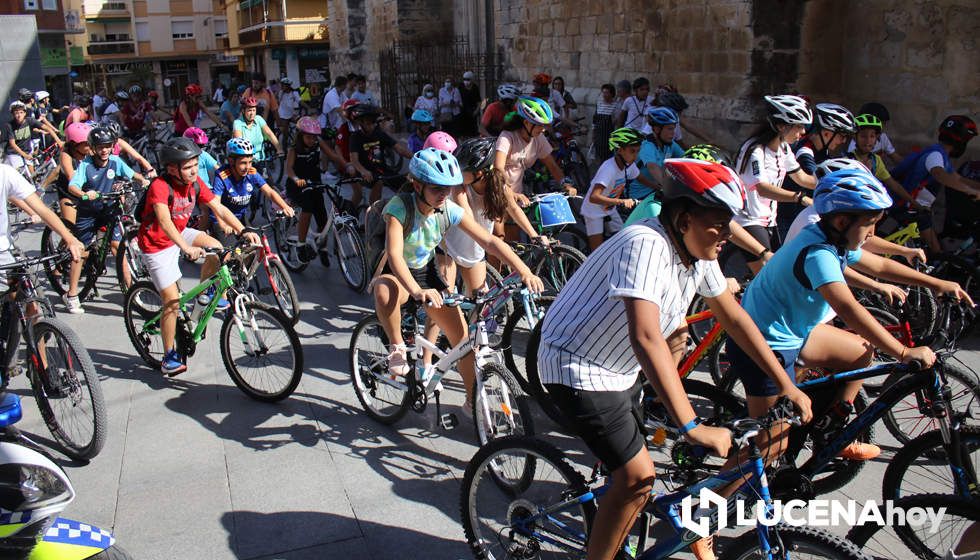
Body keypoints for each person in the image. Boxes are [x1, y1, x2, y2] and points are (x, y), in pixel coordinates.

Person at [538, 158, 812, 560]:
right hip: (576, 365)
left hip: (619, 366)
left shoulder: (699, 254)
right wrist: (692, 426)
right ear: (683, 219)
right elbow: (647, 336)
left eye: (729, 222)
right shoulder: (644, 244)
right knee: (638, 478)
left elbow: (735, 318)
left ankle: (615, 523)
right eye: (718, 223)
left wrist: (786, 384)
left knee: (631, 476)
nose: (727, 234)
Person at [729, 168, 970, 493]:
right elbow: (847, 308)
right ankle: (699, 518)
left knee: (861, 352)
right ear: (842, 222)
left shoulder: (833, 240)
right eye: (869, 224)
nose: (873, 232)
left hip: (793, 333)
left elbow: (879, 265)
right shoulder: (817, 253)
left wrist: (938, 282)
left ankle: (830, 427)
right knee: (769, 446)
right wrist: (902, 351)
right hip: (762, 343)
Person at [372, 148, 544, 413]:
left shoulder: (446, 209)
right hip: (399, 272)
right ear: (417, 185)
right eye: (436, 189)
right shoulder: (400, 207)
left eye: (448, 189)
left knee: (464, 343)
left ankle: (472, 400)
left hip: (426, 271)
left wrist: (524, 270)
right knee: (385, 292)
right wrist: (417, 291)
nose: (444, 195)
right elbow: (394, 255)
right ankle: (396, 346)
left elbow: (488, 240)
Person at [136, 137, 259, 375]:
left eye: (195, 164)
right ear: (172, 169)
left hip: (181, 233)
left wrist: (243, 230)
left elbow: (219, 207)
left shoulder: (195, 183)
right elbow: (163, 220)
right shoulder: (160, 186)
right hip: (156, 245)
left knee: (216, 249)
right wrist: (184, 247)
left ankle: (204, 293)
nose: (194, 170)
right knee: (171, 302)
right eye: (188, 167)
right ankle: (169, 354)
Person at [439, 137, 551, 295]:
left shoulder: (499, 187)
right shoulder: (459, 189)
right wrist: (521, 267)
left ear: (480, 172)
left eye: (462, 169)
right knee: (444, 302)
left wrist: (534, 235)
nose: (457, 172)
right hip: (448, 249)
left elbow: (514, 210)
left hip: (474, 250)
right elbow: (474, 227)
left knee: (480, 303)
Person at [730, 94, 817, 275]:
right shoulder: (755, 150)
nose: (802, 133)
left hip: (770, 220)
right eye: (799, 126)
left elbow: (801, 178)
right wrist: (799, 198)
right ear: (781, 126)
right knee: (770, 277)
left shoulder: (783, 148)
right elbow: (762, 188)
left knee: (782, 274)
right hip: (748, 220)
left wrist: (832, 185)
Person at [64, 125, 147, 313]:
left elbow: (132, 174)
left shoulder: (116, 162)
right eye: (100, 147)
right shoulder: (85, 165)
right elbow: (73, 186)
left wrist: (144, 181)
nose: (104, 150)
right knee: (81, 253)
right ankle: (72, 294)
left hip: (110, 210)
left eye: (108, 146)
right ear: (93, 148)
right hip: (89, 213)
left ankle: (132, 291)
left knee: (119, 248)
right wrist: (85, 194)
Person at [890, 115, 980, 255]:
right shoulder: (935, 155)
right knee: (936, 251)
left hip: (918, 208)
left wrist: (976, 187)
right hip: (910, 207)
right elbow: (940, 175)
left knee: (934, 248)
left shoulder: (940, 154)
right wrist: (969, 191)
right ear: (961, 142)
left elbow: (958, 179)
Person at [284, 116, 354, 263]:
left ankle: (322, 247)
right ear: (301, 135)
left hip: (315, 182)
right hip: (297, 185)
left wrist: (347, 165)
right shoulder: (294, 149)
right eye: (308, 137)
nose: (312, 140)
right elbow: (289, 168)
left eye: (314, 137)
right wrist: (297, 180)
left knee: (322, 213)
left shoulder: (318, 143)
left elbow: (333, 156)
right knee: (308, 208)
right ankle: (301, 244)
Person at [205, 137, 293, 246]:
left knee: (255, 245)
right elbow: (216, 205)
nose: (247, 167)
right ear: (231, 161)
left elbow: (270, 192)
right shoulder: (222, 176)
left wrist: (285, 206)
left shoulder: (251, 173)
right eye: (243, 163)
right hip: (221, 220)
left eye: (250, 162)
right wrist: (223, 225)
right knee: (231, 255)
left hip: (241, 217)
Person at [493, 96, 577, 210]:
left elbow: (552, 165)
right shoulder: (507, 136)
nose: (543, 129)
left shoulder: (538, 138)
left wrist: (565, 184)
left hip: (518, 196)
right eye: (540, 125)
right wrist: (510, 192)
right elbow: (499, 168)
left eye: (544, 125)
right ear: (526, 123)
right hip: (497, 193)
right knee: (500, 228)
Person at [580, 127, 643, 250]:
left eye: (637, 151)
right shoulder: (609, 168)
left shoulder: (628, 165)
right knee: (596, 253)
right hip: (594, 211)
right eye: (632, 151)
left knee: (623, 240)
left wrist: (659, 187)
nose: (636, 156)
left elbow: (640, 178)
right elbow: (594, 197)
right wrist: (622, 201)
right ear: (620, 150)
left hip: (609, 208)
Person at [348, 103, 413, 207]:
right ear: (361, 122)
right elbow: (354, 160)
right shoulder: (355, 137)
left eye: (373, 121)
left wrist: (416, 157)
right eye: (368, 121)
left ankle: (404, 209)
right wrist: (363, 171)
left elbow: (399, 149)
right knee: (378, 181)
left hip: (382, 170)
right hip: (364, 173)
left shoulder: (379, 134)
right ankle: (373, 212)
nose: (372, 124)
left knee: (407, 186)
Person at [849, 114, 919, 209]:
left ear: (876, 139)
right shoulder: (849, 159)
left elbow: (894, 185)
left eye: (872, 136)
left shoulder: (876, 160)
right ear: (855, 138)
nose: (868, 140)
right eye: (863, 136)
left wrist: (915, 204)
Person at [633, 107, 685, 200]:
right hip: (639, 197)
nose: (673, 133)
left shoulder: (669, 144)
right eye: (669, 129)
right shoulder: (647, 146)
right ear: (657, 129)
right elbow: (652, 167)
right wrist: (670, 187)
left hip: (656, 192)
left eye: (674, 129)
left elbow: (685, 158)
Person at [792, 103, 856, 175]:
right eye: (842, 135)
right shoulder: (804, 152)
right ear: (826, 134)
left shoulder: (822, 150)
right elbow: (819, 181)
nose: (844, 141)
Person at [4, 101, 62, 176]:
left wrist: (59, 141)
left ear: (25, 113)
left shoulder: (30, 120)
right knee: (18, 175)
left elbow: (48, 128)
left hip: (26, 151)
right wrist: (25, 155)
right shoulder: (9, 125)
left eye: (21, 112)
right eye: (16, 113)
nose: (19, 115)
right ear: (13, 114)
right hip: (14, 153)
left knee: (33, 176)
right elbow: (12, 144)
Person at [54, 122, 94, 227]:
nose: (90, 146)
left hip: (88, 193)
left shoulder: (90, 153)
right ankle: (65, 243)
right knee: (71, 230)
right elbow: (72, 178)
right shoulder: (66, 156)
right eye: (86, 143)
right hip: (69, 195)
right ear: (74, 144)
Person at [232, 96, 282, 176]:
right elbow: (239, 142)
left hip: (260, 159)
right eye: (249, 110)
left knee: (267, 182)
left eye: (254, 110)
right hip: (245, 162)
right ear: (243, 111)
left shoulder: (258, 119)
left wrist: (279, 148)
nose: (252, 113)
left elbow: (269, 134)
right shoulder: (238, 123)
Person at [592, 84, 618, 162]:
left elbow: (616, 122)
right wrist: (593, 135)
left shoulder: (616, 105)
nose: (604, 95)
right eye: (603, 93)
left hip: (609, 136)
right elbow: (594, 120)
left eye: (606, 93)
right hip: (599, 136)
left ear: (612, 94)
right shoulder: (599, 103)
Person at [276, 77, 301, 145]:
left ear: (288, 86)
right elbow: (277, 99)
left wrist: (308, 107)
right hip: (283, 115)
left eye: (283, 85)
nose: (282, 87)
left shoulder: (294, 93)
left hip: (291, 114)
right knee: (285, 135)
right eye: (281, 85)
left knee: (301, 124)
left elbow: (300, 102)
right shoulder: (281, 93)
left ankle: (295, 140)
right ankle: (284, 150)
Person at [458, 71, 481, 137]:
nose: (466, 81)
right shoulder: (461, 86)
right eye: (464, 79)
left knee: (472, 131)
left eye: (468, 79)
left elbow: (478, 101)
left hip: (472, 112)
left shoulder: (475, 88)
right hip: (463, 112)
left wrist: (476, 111)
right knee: (463, 131)